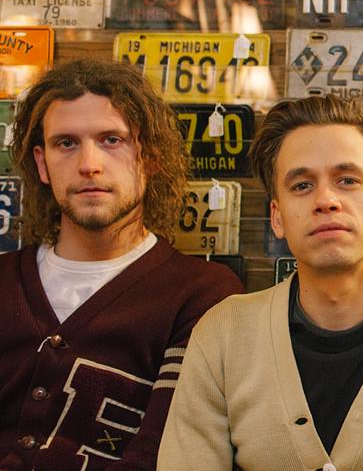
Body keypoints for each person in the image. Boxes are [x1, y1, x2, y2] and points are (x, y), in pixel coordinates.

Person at [158, 95, 363, 471]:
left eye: (347, 180)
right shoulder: (222, 336)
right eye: (301, 185)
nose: (326, 200)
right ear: (277, 216)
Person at [0, 60, 244, 471]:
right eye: (66, 143)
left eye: (112, 139)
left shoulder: (201, 295)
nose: (89, 164)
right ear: (41, 164)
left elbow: (161, 454)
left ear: (149, 157)